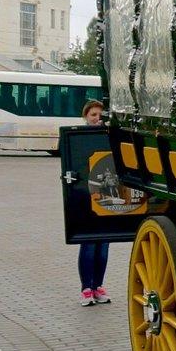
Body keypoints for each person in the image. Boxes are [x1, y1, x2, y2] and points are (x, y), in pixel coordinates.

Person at [78, 99, 112, 306]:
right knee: (89, 244)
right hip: (85, 198)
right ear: (85, 116)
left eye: (100, 115)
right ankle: (86, 288)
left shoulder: (107, 136)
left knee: (103, 245)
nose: (97, 118)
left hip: (104, 197)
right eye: (93, 115)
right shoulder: (78, 137)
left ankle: (98, 286)